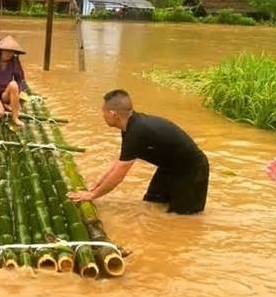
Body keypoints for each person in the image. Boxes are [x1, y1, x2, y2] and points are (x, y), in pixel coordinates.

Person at [68, 89, 210, 214]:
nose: (103, 115)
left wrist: (92, 196)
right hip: (170, 168)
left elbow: (119, 175)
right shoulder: (131, 126)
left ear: (113, 114)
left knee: (182, 218)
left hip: (191, 171)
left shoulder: (136, 131)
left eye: (103, 112)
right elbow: (120, 161)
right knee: (153, 204)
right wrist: (98, 183)